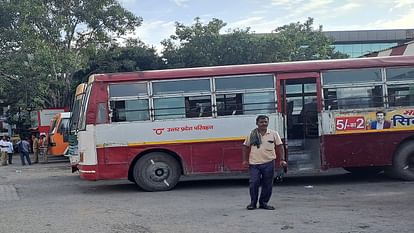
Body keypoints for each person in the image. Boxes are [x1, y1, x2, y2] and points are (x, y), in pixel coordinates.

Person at [242, 115, 286, 210]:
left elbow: (279, 146)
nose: (264, 124)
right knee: (254, 183)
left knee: (267, 184)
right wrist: (245, 160)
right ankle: (253, 203)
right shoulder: (251, 134)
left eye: (265, 122)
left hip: (269, 162)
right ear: (257, 123)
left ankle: (263, 203)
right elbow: (245, 147)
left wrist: (282, 159)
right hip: (254, 163)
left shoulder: (274, 134)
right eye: (261, 122)